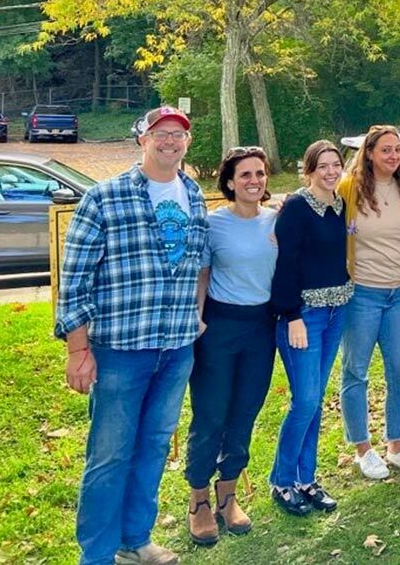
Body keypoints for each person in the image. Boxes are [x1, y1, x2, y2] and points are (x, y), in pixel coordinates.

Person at [55, 105, 209, 565]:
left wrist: (197, 316)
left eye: (178, 134)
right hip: (120, 349)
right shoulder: (104, 197)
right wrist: (78, 349)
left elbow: (200, 262)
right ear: (142, 138)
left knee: (154, 447)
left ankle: (134, 540)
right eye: (160, 133)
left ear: (187, 142)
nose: (170, 141)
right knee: (109, 457)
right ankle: (97, 556)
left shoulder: (194, 194)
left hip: (177, 348)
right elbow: (75, 278)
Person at [184, 147, 278, 546]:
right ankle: (198, 499)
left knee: (245, 412)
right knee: (211, 414)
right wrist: (197, 320)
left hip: (261, 328)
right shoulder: (213, 225)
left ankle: (228, 494)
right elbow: (201, 276)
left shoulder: (277, 221)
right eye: (245, 175)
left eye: (259, 174)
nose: (254, 181)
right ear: (229, 182)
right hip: (219, 328)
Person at [338, 126, 400, 481]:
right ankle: (363, 449)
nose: (393, 156)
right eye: (386, 150)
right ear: (370, 153)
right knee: (355, 370)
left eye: (397, 150)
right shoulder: (350, 187)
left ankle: (397, 445)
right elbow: (321, 212)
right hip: (362, 294)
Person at [269, 140, 352, 515]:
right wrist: (292, 316)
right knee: (304, 401)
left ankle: (307, 479)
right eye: (323, 166)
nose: (331, 171)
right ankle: (282, 481)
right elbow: (285, 264)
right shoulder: (298, 208)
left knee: (315, 401)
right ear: (309, 170)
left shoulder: (339, 206)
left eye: (336, 164)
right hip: (304, 315)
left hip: (337, 313)